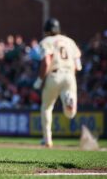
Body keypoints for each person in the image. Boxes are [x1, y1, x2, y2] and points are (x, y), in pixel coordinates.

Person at [33, 18, 82, 148]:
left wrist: (39, 80)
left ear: (47, 30)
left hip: (54, 75)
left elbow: (46, 62)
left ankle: (47, 139)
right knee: (70, 114)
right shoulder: (70, 41)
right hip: (70, 75)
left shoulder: (46, 41)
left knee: (46, 107)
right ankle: (68, 98)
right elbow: (78, 66)